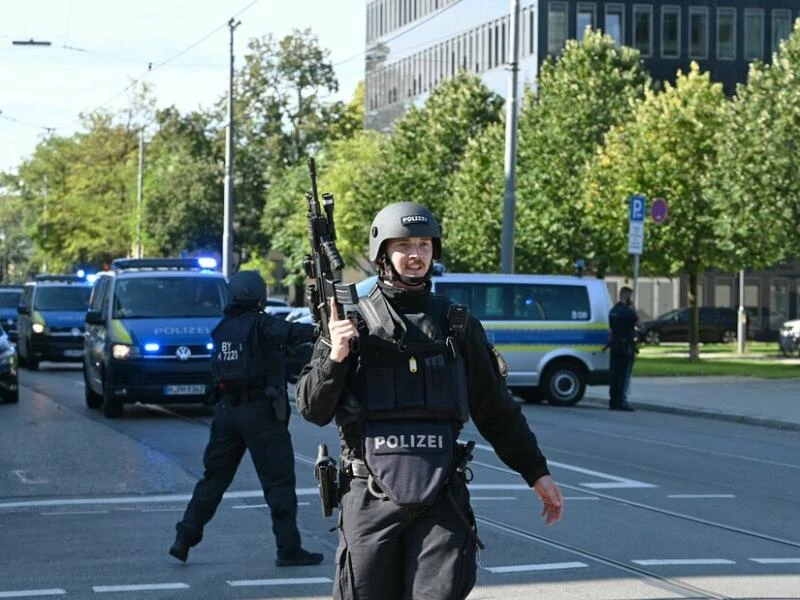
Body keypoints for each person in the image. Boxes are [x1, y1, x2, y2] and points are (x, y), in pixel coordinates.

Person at [296, 202, 563, 600]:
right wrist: (336, 355)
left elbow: (496, 409)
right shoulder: (351, 322)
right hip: (370, 497)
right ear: (383, 253)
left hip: (442, 497)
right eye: (404, 245)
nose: (415, 254)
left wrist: (536, 472)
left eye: (423, 244)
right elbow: (312, 409)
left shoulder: (458, 325)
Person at [169, 270, 323, 567]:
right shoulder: (262, 324)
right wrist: (323, 329)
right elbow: (290, 333)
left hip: (227, 412)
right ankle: (288, 549)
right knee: (278, 482)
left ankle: (184, 537)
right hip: (260, 412)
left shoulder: (223, 329)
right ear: (259, 295)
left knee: (213, 479)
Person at [607, 286, 638, 411]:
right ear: (626, 296)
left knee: (615, 375)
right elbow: (640, 324)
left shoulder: (613, 311)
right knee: (624, 375)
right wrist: (634, 311)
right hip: (626, 347)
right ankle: (621, 402)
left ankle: (613, 401)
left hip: (615, 346)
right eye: (630, 296)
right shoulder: (628, 312)